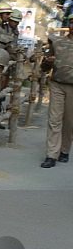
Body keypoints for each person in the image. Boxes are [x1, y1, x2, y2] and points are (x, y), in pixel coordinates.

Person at [40, 25, 73, 167]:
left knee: (69, 121)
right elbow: (45, 66)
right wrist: (47, 62)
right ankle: (51, 154)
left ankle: (64, 150)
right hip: (57, 84)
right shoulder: (57, 42)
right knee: (54, 120)